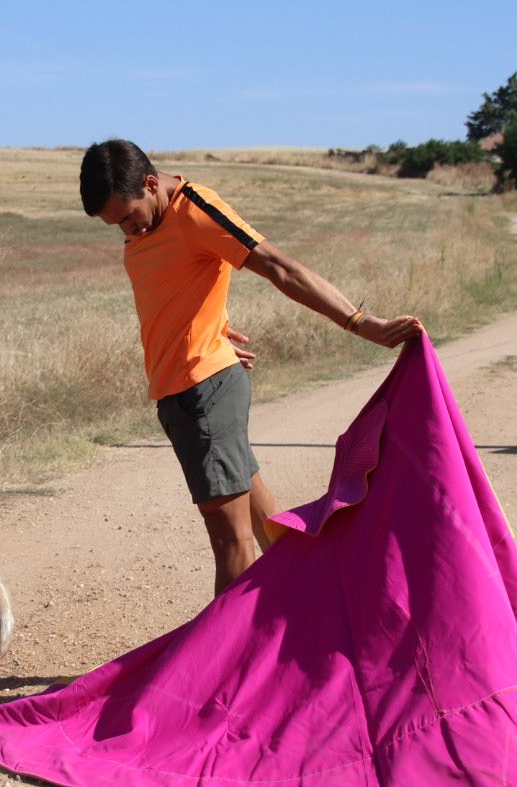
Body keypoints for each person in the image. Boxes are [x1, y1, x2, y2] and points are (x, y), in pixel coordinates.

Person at [79, 139, 423, 595]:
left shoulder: (194, 209)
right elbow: (175, 289)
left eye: (127, 216)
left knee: (232, 545)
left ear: (149, 183)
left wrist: (359, 322)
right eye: (115, 225)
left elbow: (279, 267)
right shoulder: (148, 222)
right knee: (269, 535)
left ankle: (232, 665)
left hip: (205, 395)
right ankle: (314, 623)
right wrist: (212, 330)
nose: (127, 230)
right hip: (185, 395)